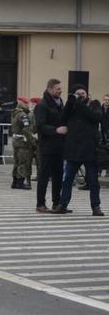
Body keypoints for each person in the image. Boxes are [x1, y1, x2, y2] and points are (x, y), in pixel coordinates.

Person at [56, 85, 104, 216]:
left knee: (93, 181)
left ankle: (96, 206)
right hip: (73, 150)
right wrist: (70, 103)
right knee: (67, 180)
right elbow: (62, 119)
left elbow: (96, 117)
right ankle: (63, 205)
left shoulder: (94, 104)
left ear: (88, 94)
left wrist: (81, 104)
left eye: (83, 93)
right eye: (78, 94)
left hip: (90, 150)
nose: (80, 96)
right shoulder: (72, 106)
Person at [33, 78, 66, 213]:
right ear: (50, 89)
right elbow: (40, 126)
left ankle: (56, 203)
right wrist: (55, 130)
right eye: (58, 89)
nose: (60, 90)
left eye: (60, 88)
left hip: (60, 146)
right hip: (47, 146)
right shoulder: (42, 105)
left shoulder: (60, 103)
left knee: (58, 176)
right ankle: (40, 204)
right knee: (44, 176)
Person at [10, 97, 37, 190]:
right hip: (22, 141)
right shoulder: (23, 115)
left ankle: (14, 181)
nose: (29, 105)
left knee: (16, 161)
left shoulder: (14, 113)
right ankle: (20, 182)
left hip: (16, 140)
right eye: (27, 103)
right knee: (23, 161)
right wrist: (32, 141)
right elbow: (26, 129)